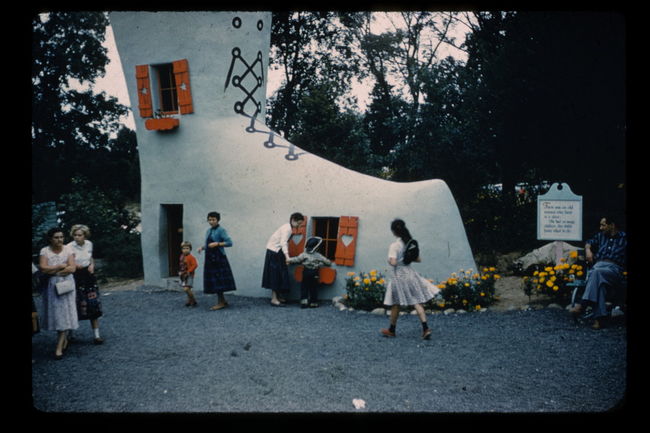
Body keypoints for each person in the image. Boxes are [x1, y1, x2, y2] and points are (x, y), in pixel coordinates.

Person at [380, 219, 439, 340]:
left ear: (394, 232)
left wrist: (390, 261)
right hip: (410, 273)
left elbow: (393, 262)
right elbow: (418, 259)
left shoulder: (394, 245)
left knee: (396, 303)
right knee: (416, 301)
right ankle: (425, 328)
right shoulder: (409, 243)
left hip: (399, 276)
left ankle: (392, 330)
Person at [569, 216, 627, 329]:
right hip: (598, 267)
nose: (600, 228)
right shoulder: (600, 236)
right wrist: (588, 250)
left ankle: (583, 304)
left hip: (614, 269)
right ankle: (599, 319)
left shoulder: (624, 238)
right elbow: (589, 242)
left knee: (595, 273)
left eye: (603, 225)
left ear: (612, 225)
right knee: (599, 283)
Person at [39, 227, 79, 359]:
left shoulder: (68, 249)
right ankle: (64, 338)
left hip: (66, 285)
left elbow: (72, 268)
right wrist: (59, 266)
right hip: (52, 287)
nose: (59, 240)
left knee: (64, 313)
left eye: (61, 237)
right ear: (50, 239)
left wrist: (54, 272)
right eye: (56, 237)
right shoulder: (45, 251)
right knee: (57, 314)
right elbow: (43, 268)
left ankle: (58, 347)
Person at [67, 224, 104, 344]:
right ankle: (70, 334)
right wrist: (73, 266)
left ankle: (96, 335)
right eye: (75, 235)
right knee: (74, 303)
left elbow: (90, 257)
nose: (77, 237)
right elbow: (68, 263)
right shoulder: (69, 247)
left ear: (85, 235)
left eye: (79, 235)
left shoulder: (89, 244)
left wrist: (92, 265)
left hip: (88, 275)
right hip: (76, 276)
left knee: (93, 305)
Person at [262, 212, 305, 306]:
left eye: (300, 224)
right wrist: (287, 257)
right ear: (293, 220)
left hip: (277, 252)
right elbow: (283, 243)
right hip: (274, 252)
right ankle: (274, 299)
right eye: (298, 223)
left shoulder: (288, 227)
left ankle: (278, 296)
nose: (299, 226)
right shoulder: (288, 229)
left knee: (281, 274)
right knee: (275, 275)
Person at [197, 212, 236, 310]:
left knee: (219, 280)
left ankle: (221, 303)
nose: (211, 221)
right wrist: (202, 247)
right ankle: (223, 301)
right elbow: (208, 244)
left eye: (213, 220)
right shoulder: (208, 231)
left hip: (219, 258)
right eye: (209, 219)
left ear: (218, 220)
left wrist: (217, 244)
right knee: (215, 280)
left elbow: (229, 243)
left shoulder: (221, 230)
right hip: (210, 259)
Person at [287, 236, 332, 308]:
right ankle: (313, 302)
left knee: (304, 287)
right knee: (313, 287)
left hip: (306, 272)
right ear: (317, 247)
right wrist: (320, 264)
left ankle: (304, 302)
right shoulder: (318, 255)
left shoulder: (304, 254)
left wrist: (289, 260)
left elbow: (297, 259)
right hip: (314, 273)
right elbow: (328, 262)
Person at [179, 241, 199, 307]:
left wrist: (189, 271)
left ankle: (194, 300)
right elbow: (182, 265)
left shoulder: (191, 257)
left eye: (187, 248)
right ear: (181, 249)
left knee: (187, 288)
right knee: (187, 289)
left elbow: (195, 265)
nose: (185, 250)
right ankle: (189, 300)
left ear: (190, 249)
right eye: (184, 248)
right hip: (183, 275)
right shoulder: (182, 256)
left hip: (189, 275)